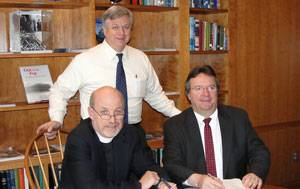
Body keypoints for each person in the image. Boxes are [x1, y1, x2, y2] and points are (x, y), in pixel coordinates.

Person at [37, 5, 180, 137]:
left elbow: (155, 95)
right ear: (104, 31)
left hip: (132, 133)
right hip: (95, 134)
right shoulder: (85, 60)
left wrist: (181, 117)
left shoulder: (141, 59)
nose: (121, 32)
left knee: (145, 165)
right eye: (115, 27)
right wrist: (57, 119)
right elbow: (59, 91)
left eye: (126, 27)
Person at [162, 65, 270, 189]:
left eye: (211, 87)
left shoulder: (238, 118)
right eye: (198, 88)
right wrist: (198, 180)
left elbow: (259, 151)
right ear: (189, 95)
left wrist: (255, 173)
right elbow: (171, 163)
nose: (206, 94)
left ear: (217, 91)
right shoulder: (175, 125)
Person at [60, 86, 177, 189]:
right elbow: (90, 187)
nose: (113, 120)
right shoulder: (78, 139)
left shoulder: (132, 134)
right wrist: (139, 186)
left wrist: (161, 183)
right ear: (91, 113)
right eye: (105, 113)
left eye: (118, 112)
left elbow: (149, 167)